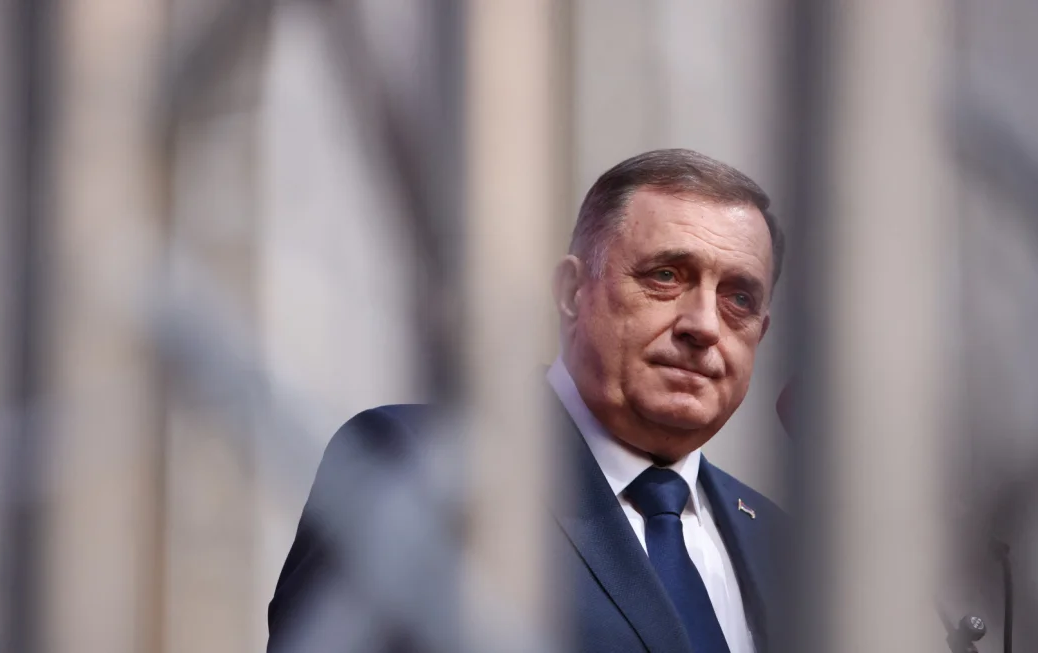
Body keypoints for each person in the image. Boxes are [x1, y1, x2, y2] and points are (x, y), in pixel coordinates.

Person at [267, 149, 786, 653]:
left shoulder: (779, 541)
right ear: (572, 293)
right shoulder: (423, 464)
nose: (703, 324)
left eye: (738, 298)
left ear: (760, 333)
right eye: (666, 276)